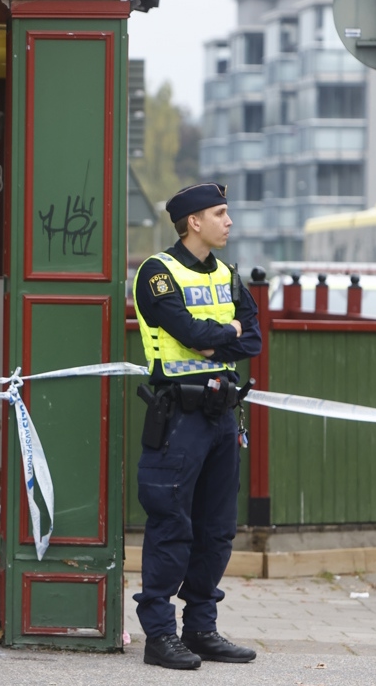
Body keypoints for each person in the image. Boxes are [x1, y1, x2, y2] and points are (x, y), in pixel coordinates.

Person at [131, 182, 263, 670]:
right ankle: (160, 635)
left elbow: (252, 341)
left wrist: (217, 340)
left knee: (218, 528)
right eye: (220, 213)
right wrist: (217, 335)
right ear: (194, 222)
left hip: (222, 414)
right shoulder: (157, 274)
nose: (229, 222)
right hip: (178, 415)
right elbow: (187, 334)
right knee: (171, 523)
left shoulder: (229, 275)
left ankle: (201, 628)